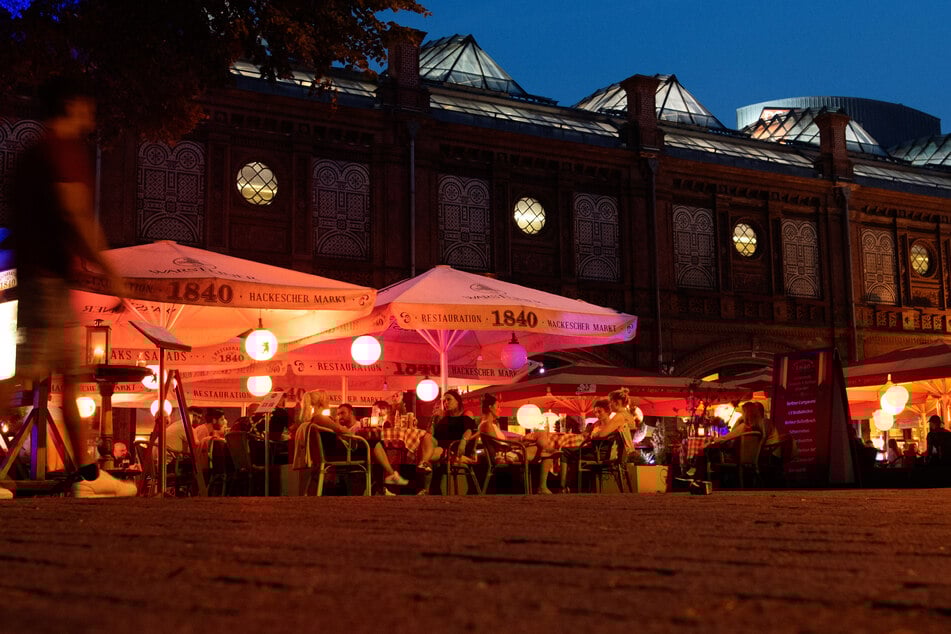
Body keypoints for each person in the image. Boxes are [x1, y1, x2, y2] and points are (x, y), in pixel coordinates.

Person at [4, 76, 132, 498]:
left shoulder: (34, 152)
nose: (91, 114)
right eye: (88, 105)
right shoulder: (60, 151)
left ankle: (89, 477)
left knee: (69, 377)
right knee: (26, 374)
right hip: (47, 279)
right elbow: (76, 213)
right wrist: (108, 267)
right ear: (73, 105)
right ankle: (89, 477)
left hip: (42, 275)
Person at [294, 391, 407, 488]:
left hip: (331, 453)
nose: (328, 401)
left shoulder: (312, 420)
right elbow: (342, 431)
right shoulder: (320, 418)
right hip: (338, 455)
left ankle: (385, 482)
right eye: (326, 399)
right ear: (321, 402)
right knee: (375, 444)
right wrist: (345, 429)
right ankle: (389, 477)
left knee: (372, 446)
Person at [479, 394, 556, 494]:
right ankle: (542, 486)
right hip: (504, 455)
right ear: (490, 408)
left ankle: (546, 450)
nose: (500, 410)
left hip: (508, 452)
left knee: (540, 435)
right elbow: (500, 446)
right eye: (498, 407)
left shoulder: (490, 424)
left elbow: (504, 441)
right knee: (546, 452)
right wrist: (521, 443)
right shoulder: (487, 424)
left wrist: (522, 439)